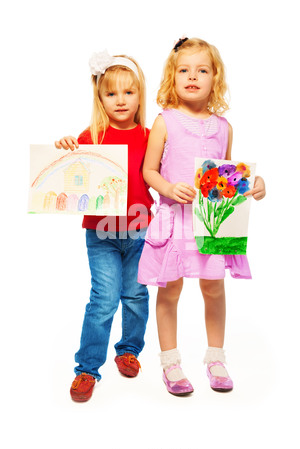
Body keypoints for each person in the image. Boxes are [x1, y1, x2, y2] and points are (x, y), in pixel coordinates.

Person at [138, 37, 266, 396]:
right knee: (171, 290)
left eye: (202, 70)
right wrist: (167, 187)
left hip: (210, 223)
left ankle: (215, 358)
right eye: (184, 70)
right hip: (176, 219)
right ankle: (171, 363)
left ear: (215, 78)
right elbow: (149, 170)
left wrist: (253, 186)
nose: (192, 76)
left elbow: (226, 175)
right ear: (172, 77)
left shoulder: (223, 127)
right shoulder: (165, 122)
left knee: (213, 287)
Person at [55, 50, 153, 402]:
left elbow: (167, 173)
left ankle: (129, 350)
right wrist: (67, 147)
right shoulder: (91, 134)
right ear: (100, 98)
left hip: (141, 230)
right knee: (103, 301)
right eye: (111, 93)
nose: (121, 100)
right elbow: (69, 175)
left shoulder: (149, 134)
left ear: (140, 95)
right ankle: (87, 369)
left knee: (137, 295)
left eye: (128, 92)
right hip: (101, 234)